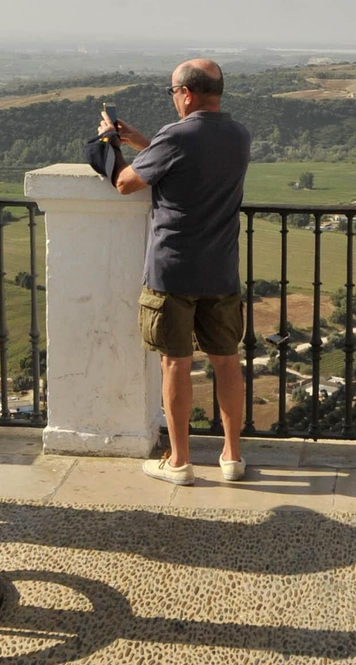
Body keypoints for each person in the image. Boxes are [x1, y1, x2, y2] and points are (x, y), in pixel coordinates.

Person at [98, 59, 252, 486]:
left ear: (185, 92)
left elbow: (126, 183)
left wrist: (109, 144)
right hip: (221, 269)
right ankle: (232, 457)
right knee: (226, 363)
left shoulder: (177, 135)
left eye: (172, 92)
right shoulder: (239, 135)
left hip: (173, 270)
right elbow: (188, 163)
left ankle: (180, 462)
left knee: (175, 364)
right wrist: (144, 142)